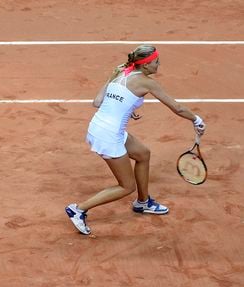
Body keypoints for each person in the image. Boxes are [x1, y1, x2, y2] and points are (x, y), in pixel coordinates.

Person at [65, 45, 206, 235]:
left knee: (143, 154)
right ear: (146, 65)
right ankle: (78, 209)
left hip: (99, 127)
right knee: (126, 186)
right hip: (108, 135)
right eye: (156, 61)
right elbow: (177, 108)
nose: (159, 64)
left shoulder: (120, 72)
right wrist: (196, 120)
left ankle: (143, 202)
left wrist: (126, 109)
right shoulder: (146, 82)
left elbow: (97, 102)